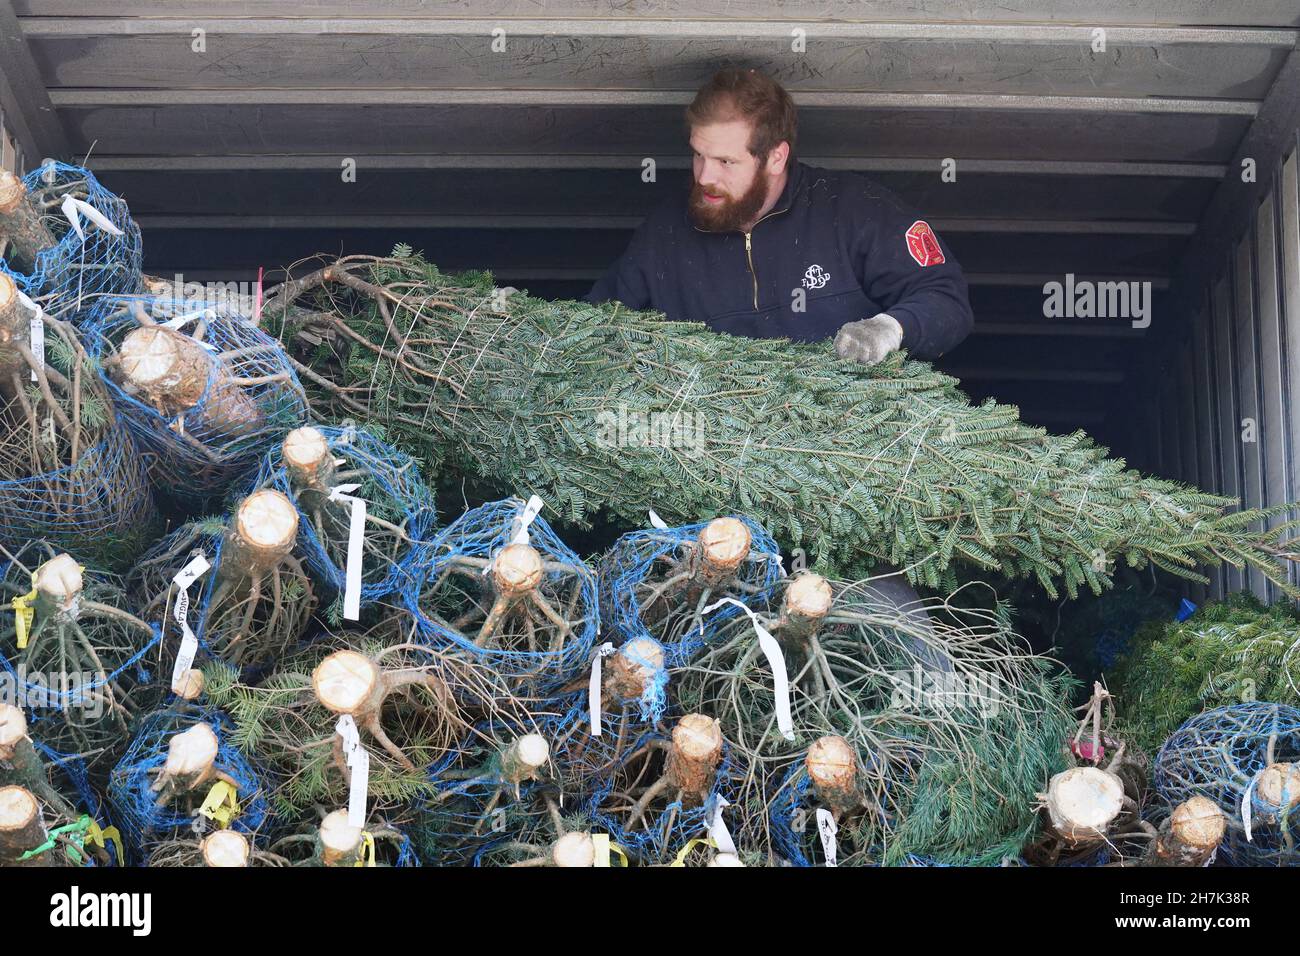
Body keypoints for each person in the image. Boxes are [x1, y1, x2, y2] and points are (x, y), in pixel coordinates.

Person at [585, 67, 974, 366]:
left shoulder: (857, 211)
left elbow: (945, 299)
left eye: (725, 161)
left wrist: (890, 329)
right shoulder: (664, 235)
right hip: (719, 454)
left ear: (776, 157)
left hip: (852, 448)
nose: (704, 176)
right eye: (698, 155)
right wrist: (528, 320)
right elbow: (592, 330)